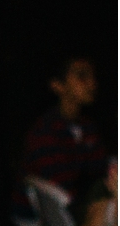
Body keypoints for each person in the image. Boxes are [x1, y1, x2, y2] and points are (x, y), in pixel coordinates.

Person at [18, 54, 109, 197]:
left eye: (92, 76)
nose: (92, 83)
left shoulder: (87, 127)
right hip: (39, 216)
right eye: (82, 76)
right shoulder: (45, 131)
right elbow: (60, 190)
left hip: (72, 205)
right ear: (57, 85)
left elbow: (102, 169)